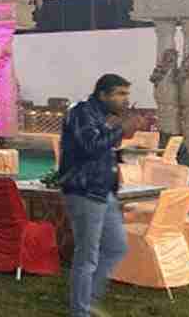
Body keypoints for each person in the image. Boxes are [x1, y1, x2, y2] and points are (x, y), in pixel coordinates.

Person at [60, 74, 141, 317]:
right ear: (103, 94)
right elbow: (90, 146)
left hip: (104, 191)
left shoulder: (102, 116)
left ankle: (89, 297)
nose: (125, 100)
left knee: (116, 247)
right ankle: (80, 311)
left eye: (127, 94)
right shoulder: (81, 112)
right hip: (84, 191)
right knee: (87, 256)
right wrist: (121, 130)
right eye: (120, 94)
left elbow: (96, 151)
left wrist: (120, 154)